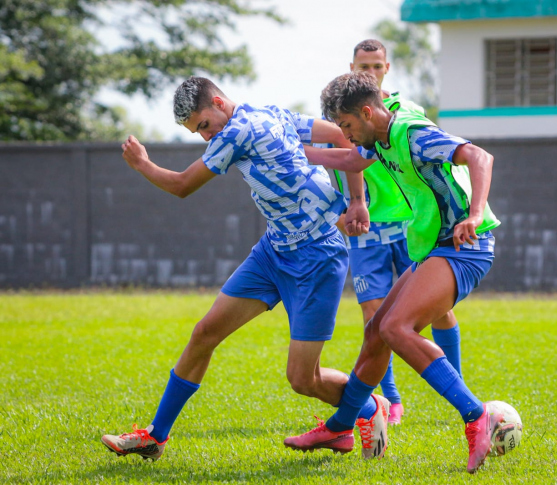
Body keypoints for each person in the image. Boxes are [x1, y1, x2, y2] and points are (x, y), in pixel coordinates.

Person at [100, 76, 391, 461]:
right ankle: (156, 436)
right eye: (197, 133)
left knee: (304, 380)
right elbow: (340, 135)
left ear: (219, 103)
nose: (205, 137)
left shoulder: (236, 132)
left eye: (203, 125)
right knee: (205, 333)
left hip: (317, 256)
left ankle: (368, 408)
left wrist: (142, 164)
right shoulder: (271, 112)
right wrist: (355, 200)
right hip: (273, 253)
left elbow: (184, 185)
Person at [285, 71, 503, 473]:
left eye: (348, 126)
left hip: (464, 247)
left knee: (396, 329)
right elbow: (352, 160)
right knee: (376, 331)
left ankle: (477, 416)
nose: (346, 135)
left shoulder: (411, 133)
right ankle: (340, 427)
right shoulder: (378, 138)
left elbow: (479, 156)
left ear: (367, 112)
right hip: (435, 247)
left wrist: (474, 215)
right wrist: (294, 152)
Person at [332, 40, 465, 425]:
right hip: (367, 227)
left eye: (376, 65)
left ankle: (454, 385)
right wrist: (344, 207)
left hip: (411, 224)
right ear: (351, 67)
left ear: (386, 68)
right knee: (374, 313)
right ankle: (390, 400)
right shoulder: (344, 117)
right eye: (363, 66)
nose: (370, 72)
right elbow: (344, 161)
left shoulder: (407, 114)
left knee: (440, 309)